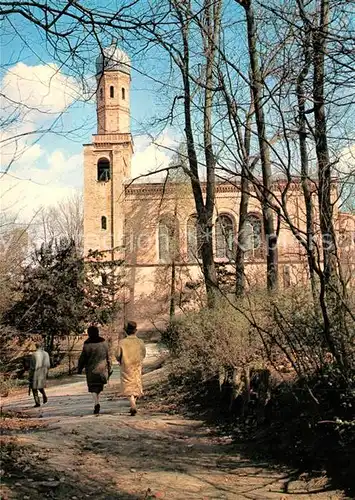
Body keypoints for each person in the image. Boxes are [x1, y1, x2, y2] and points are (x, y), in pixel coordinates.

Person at [78, 325, 111, 415]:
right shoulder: (103, 342)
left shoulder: (87, 344)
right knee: (99, 387)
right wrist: (109, 366)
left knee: (92, 388)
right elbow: (108, 355)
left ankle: (96, 403)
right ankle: (97, 401)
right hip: (102, 369)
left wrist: (79, 368)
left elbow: (83, 357)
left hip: (91, 370)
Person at [116, 321, 146, 416]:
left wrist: (120, 360)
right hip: (136, 366)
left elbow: (117, 355)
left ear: (126, 331)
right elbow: (143, 354)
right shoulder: (140, 342)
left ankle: (132, 404)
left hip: (126, 365)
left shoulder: (122, 342)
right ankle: (133, 403)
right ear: (135, 331)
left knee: (127, 384)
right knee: (136, 384)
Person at [29, 341, 51, 408]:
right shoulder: (46, 354)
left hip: (36, 372)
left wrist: (30, 375)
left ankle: (37, 402)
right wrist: (46, 372)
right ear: (42, 346)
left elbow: (32, 367)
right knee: (40, 385)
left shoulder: (34, 354)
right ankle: (44, 395)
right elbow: (48, 365)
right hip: (44, 371)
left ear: (36, 346)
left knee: (34, 388)